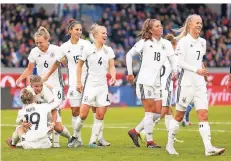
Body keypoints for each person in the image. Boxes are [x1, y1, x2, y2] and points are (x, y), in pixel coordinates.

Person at [166, 14, 225, 156]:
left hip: (199, 84)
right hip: (186, 84)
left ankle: (208, 148)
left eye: (201, 22)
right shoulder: (184, 42)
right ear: (190, 24)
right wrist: (196, 70)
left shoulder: (203, 42)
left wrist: (202, 69)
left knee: (203, 115)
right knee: (179, 116)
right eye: (197, 22)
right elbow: (180, 62)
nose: (200, 25)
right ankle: (169, 145)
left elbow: (198, 61)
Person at [126, 19, 177, 148]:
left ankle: (135, 131)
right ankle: (150, 141)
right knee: (149, 113)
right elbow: (129, 55)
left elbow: (172, 59)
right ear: (150, 30)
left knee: (158, 112)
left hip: (157, 82)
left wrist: (175, 71)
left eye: (161, 25)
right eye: (157, 26)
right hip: (144, 81)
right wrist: (130, 73)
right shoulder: (144, 43)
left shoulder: (166, 43)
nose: (161, 27)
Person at [43, 19, 91, 146]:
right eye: (76, 29)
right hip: (74, 83)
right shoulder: (64, 47)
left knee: (90, 112)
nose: (79, 32)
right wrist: (46, 75)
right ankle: (77, 139)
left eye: (80, 30)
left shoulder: (86, 44)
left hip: (89, 82)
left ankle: (97, 139)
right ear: (70, 30)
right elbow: (57, 63)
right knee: (75, 112)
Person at [68, 23, 116, 148]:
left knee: (100, 115)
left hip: (102, 87)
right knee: (83, 114)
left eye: (106, 33)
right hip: (89, 86)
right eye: (103, 33)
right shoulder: (88, 49)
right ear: (95, 35)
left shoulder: (109, 50)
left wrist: (113, 76)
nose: (105, 35)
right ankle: (75, 136)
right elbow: (79, 66)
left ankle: (92, 141)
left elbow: (112, 66)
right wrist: (78, 82)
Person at [15, 26, 65, 147]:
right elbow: (30, 68)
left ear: (47, 39)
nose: (38, 45)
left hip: (56, 84)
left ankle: (57, 141)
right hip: (42, 85)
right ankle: (44, 136)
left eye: (40, 42)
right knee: (42, 110)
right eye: (36, 42)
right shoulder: (34, 52)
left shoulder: (56, 49)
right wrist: (21, 77)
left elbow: (59, 63)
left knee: (56, 110)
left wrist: (47, 76)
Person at [17, 75, 72, 146]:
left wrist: (53, 123)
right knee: (27, 126)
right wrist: (24, 122)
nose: (39, 88)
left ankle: (70, 138)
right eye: (36, 86)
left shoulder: (46, 91)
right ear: (31, 85)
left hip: (48, 112)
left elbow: (54, 108)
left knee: (58, 128)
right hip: (36, 113)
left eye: (41, 86)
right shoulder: (27, 92)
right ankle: (25, 141)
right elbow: (25, 109)